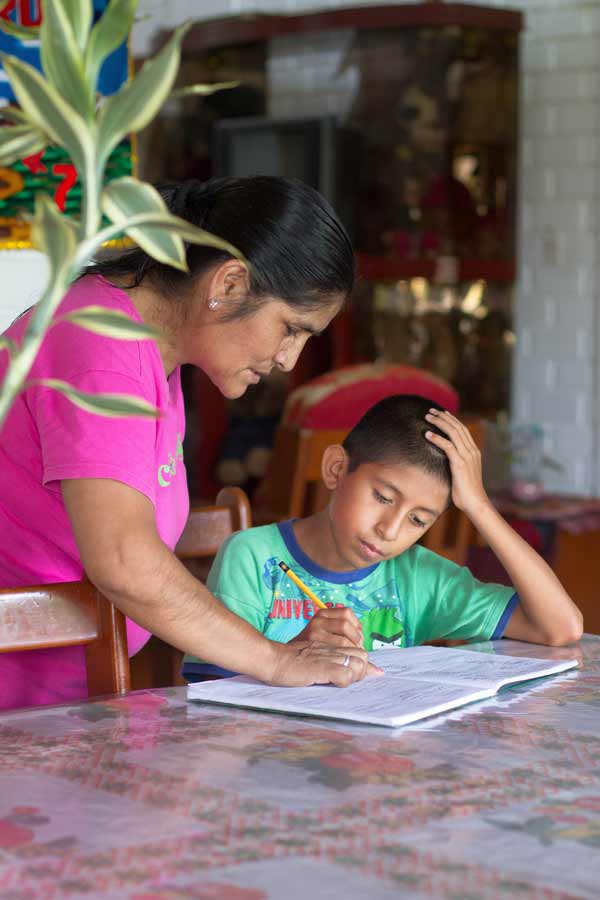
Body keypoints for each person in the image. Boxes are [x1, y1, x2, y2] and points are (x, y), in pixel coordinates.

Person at [0, 175, 376, 711]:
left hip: (66, 692)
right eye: (290, 329)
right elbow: (123, 559)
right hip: (20, 715)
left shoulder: (145, 347)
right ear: (227, 286)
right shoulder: (101, 346)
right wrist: (273, 659)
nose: (288, 361)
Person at [183, 395, 582, 680]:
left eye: (418, 520)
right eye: (382, 497)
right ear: (338, 469)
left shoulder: (416, 577)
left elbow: (560, 627)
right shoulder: (253, 558)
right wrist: (293, 652)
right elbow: (210, 691)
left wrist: (478, 505)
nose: (390, 531)